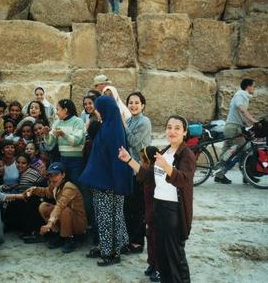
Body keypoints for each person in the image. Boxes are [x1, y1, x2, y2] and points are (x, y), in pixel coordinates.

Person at [118, 115, 195, 283]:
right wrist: (129, 160)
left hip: (173, 212)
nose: (172, 131)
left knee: (175, 257)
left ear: (184, 132)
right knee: (162, 257)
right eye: (169, 127)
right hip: (158, 208)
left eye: (177, 128)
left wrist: (167, 166)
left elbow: (184, 179)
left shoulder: (186, 154)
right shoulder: (165, 151)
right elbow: (149, 175)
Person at [79, 95, 131, 266]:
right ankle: (106, 247)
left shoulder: (112, 130)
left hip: (108, 184)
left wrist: (119, 185)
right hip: (106, 181)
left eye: (99, 110)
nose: (98, 113)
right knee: (107, 217)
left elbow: (118, 160)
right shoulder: (109, 126)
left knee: (107, 218)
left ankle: (111, 253)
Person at [25, 162, 88, 253]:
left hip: (78, 223)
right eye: (51, 175)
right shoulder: (55, 185)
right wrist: (34, 190)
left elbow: (60, 205)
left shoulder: (69, 187)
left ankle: (69, 238)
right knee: (43, 206)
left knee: (63, 210)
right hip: (66, 218)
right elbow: (46, 192)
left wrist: (49, 223)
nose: (53, 178)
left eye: (56, 174)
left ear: (63, 175)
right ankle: (59, 235)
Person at [123, 91, 152, 255]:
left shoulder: (144, 122)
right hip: (130, 169)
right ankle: (130, 239)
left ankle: (138, 242)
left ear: (143, 105)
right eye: (131, 103)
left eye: (136, 103)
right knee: (130, 206)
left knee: (139, 208)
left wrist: (124, 127)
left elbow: (133, 142)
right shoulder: (129, 120)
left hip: (141, 170)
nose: (133, 105)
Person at [215, 78, 259, 184]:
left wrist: (248, 125)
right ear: (248, 86)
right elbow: (242, 109)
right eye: (253, 86)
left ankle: (219, 175)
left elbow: (241, 115)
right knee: (245, 150)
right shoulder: (240, 95)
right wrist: (254, 121)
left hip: (232, 127)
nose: (254, 88)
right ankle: (247, 176)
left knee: (227, 153)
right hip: (234, 129)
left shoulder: (243, 96)